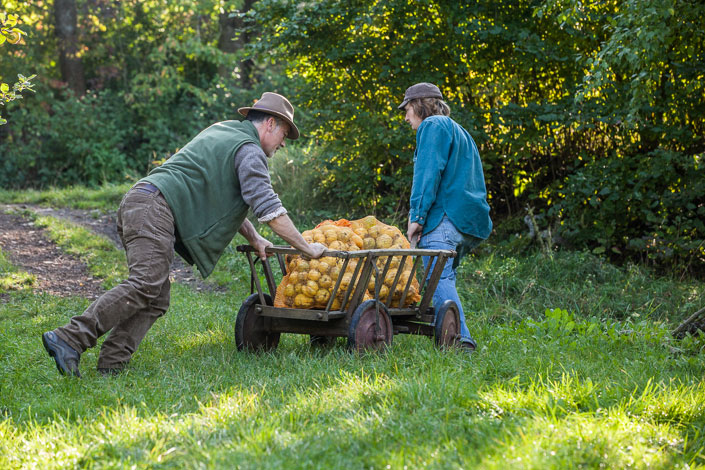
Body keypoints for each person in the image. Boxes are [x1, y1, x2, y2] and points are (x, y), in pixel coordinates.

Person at [42, 92, 326, 377]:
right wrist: (306, 248)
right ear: (271, 124)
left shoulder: (223, 131)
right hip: (155, 207)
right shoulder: (249, 150)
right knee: (146, 283)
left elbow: (219, 192)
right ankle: (69, 338)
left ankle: (112, 365)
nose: (284, 142)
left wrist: (253, 237)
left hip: (145, 201)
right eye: (285, 133)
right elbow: (269, 209)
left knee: (156, 296)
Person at [399, 82, 492, 352]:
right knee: (443, 278)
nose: (405, 117)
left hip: (445, 218)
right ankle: (453, 334)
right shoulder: (460, 131)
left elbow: (428, 173)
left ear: (419, 105)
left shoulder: (432, 126)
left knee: (436, 279)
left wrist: (417, 217)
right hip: (468, 221)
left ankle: (461, 341)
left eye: (406, 109)